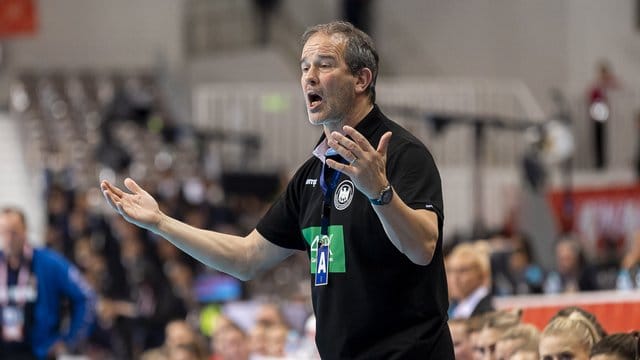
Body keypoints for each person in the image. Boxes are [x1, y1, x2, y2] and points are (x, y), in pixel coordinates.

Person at [101, 20, 453, 359]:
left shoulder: (403, 155)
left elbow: (423, 247)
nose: (309, 77)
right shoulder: (311, 175)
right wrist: (161, 223)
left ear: (362, 79)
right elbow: (246, 257)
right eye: (303, 67)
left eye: (324, 65)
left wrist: (380, 192)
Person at [0, 207, 95, 359]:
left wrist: (70, 340)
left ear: (25, 231)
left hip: (40, 352)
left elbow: (87, 296)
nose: (9, 239)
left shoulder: (49, 263)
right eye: (4, 232)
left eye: (14, 232)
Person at [447, 242, 494, 319]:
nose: (454, 278)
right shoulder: (454, 307)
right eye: (451, 271)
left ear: (481, 275)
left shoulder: (487, 312)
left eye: (462, 270)